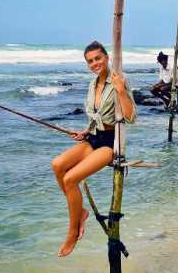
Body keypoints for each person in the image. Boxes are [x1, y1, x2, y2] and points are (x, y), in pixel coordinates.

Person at [51, 41, 136, 257]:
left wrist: (121, 91)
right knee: (58, 165)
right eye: (90, 61)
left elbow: (131, 117)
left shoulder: (119, 80)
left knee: (70, 179)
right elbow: (95, 117)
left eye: (98, 58)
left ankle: (72, 232)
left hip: (110, 144)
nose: (94, 63)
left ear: (106, 57)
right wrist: (85, 132)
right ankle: (81, 212)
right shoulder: (92, 84)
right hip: (94, 138)